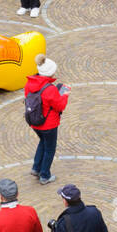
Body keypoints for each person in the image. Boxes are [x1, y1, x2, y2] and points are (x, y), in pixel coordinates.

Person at [25, 54, 69, 185]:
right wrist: (65, 95)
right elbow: (60, 106)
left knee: (42, 143)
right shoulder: (49, 89)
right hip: (48, 124)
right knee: (50, 148)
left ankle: (36, 168)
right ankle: (45, 175)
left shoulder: (29, 84)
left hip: (34, 122)